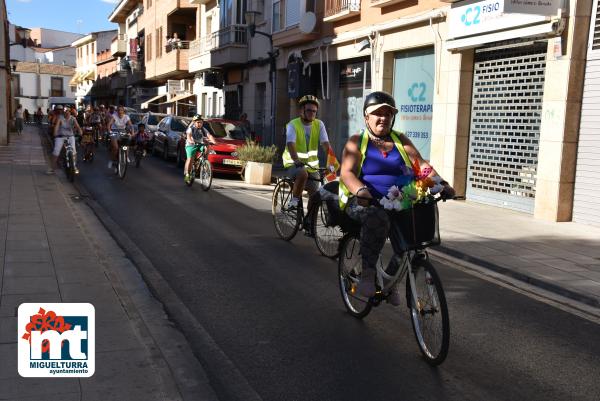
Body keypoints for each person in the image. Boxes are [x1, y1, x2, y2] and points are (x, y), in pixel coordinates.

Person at [339, 91, 455, 305]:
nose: (383, 117)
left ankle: (390, 279)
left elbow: (420, 166)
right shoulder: (357, 141)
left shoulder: (400, 139)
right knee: (378, 217)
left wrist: (442, 184)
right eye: (377, 113)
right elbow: (346, 173)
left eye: (388, 113)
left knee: (413, 236)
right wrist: (361, 191)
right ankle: (368, 273)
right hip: (364, 202)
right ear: (367, 117)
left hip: (399, 201)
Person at [281, 95, 333, 212]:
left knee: (315, 198)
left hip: (312, 167)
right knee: (302, 173)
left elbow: (326, 144)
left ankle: (310, 226)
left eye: (314, 111)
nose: (312, 113)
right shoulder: (293, 125)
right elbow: (290, 143)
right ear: (301, 111)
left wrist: (332, 161)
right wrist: (296, 160)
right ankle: (294, 200)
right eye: (309, 110)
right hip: (293, 164)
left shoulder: (319, 125)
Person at [48, 107, 82, 175]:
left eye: (68, 111)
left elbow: (77, 126)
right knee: (56, 152)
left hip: (70, 136)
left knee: (74, 151)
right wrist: (55, 133)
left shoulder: (73, 118)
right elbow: (57, 126)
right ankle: (52, 168)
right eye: (65, 111)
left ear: (70, 112)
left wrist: (80, 131)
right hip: (60, 136)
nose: (67, 112)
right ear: (64, 112)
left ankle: (74, 166)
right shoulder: (60, 118)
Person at [184, 115, 216, 184]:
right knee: (190, 159)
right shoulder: (191, 129)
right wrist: (191, 141)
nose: (200, 124)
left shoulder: (203, 129)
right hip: (190, 145)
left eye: (201, 122)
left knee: (207, 145)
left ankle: (205, 160)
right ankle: (187, 175)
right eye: (198, 122)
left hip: (199, 144)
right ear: (194, 122)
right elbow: (188, 137)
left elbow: (209, 135)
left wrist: (213, 141)